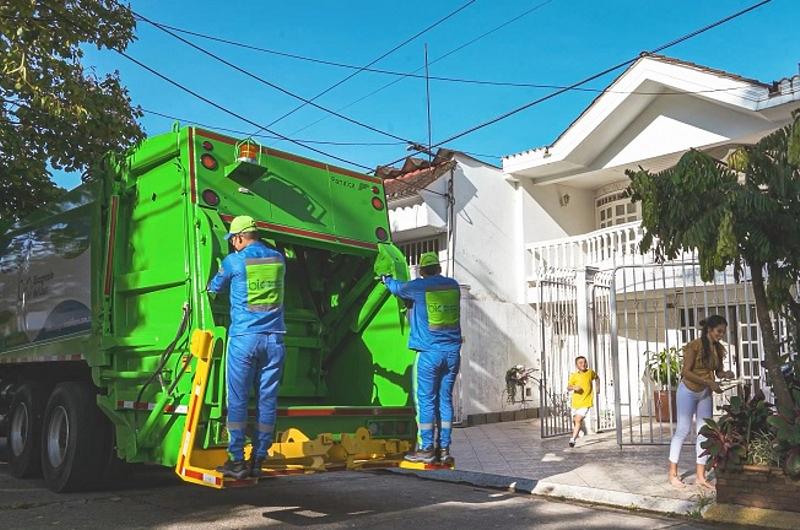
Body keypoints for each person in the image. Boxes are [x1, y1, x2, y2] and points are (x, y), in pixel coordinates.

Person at [207, 215, 287, 480]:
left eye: (233, 240)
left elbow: (213, 288)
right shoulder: (278, 259)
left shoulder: (233, 261)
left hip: (244, 339)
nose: (233, 245)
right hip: (274, 339)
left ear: (239, 237)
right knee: (267, 401)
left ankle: (237, 460)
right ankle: (259, 458)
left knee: (238, 400)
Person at [382, 252, 462, 465]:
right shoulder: (453, 286)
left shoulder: (419, 287)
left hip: (429, 353)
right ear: (439, 268)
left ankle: (426, 448)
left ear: (422, 271)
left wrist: (386, 279)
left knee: (426, 401)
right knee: (445, 401)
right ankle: (444, 449)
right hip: (452, 353)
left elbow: (397, 288)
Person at [668, 315, 734, 490]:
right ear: (709, 330)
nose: (721, 335)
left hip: (705, 392)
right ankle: (673, 474)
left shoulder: (718, 349)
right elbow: (686, 372)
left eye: (723, 332)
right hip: (688, 391)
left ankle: (700, 476)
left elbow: (718, 373)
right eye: (719, 331)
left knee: (704, 432)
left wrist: (725, 374)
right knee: (682, 430)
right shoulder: (694, 346)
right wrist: (708, 382)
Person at [567, 356, 599, 448]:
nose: (583, 364)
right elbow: (568, 387)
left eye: (585, 362)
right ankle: (579, 429)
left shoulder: (590, 372)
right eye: (580, 363)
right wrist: (574, 387)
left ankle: (572, 440)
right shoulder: (574, 375)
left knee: (577, 419)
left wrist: (598, 388)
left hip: (586, 402)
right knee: (575, 420)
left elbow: (597, 378)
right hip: (575, 403)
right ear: (576, 365)